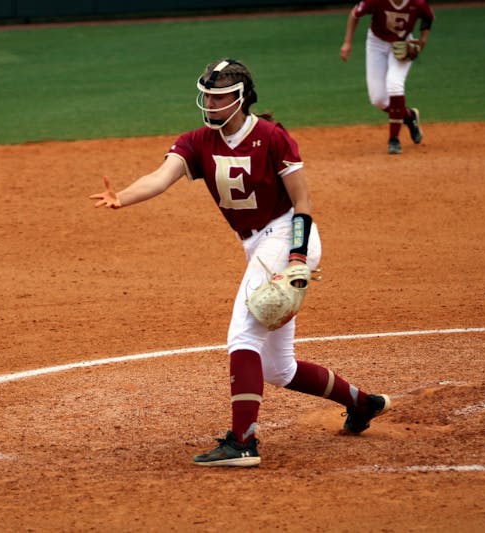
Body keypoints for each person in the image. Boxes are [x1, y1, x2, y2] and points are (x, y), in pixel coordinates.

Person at [89, 58, 390, 467]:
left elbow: (302, 203)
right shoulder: (196, 142)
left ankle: (242, 442)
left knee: (242, 335)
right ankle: (364, 404)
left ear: (243, 98)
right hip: (257, 246)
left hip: (286, 238)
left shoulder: (272, 137)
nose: (211, 104)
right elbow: (161, 177)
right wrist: (123, 196)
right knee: (278, 369)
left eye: (220, 97)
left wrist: (298, 258)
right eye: (207, 96)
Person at [340, 0, 435, 154]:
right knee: (378, 100)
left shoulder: (417, 3)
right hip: (376, 44)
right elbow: (354, 14)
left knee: (395, 84)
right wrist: (347, 42)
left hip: (402, 44)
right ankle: (409, 116)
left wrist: (422, 41)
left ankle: (394, 140)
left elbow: (428, 17)